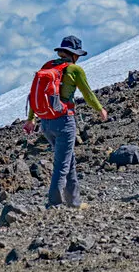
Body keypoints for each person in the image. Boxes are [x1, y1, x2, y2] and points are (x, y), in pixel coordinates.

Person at [23, 35, 108, 209]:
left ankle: (74, 202)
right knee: (62, 164)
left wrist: (31, 119)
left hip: (45, 123)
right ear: (75, 55)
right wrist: (100, 109)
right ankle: (54, 205)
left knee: (68, 160)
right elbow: (88, 93)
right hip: (64, 121)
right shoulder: (75, 70)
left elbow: (34, 95)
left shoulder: (47, 66)